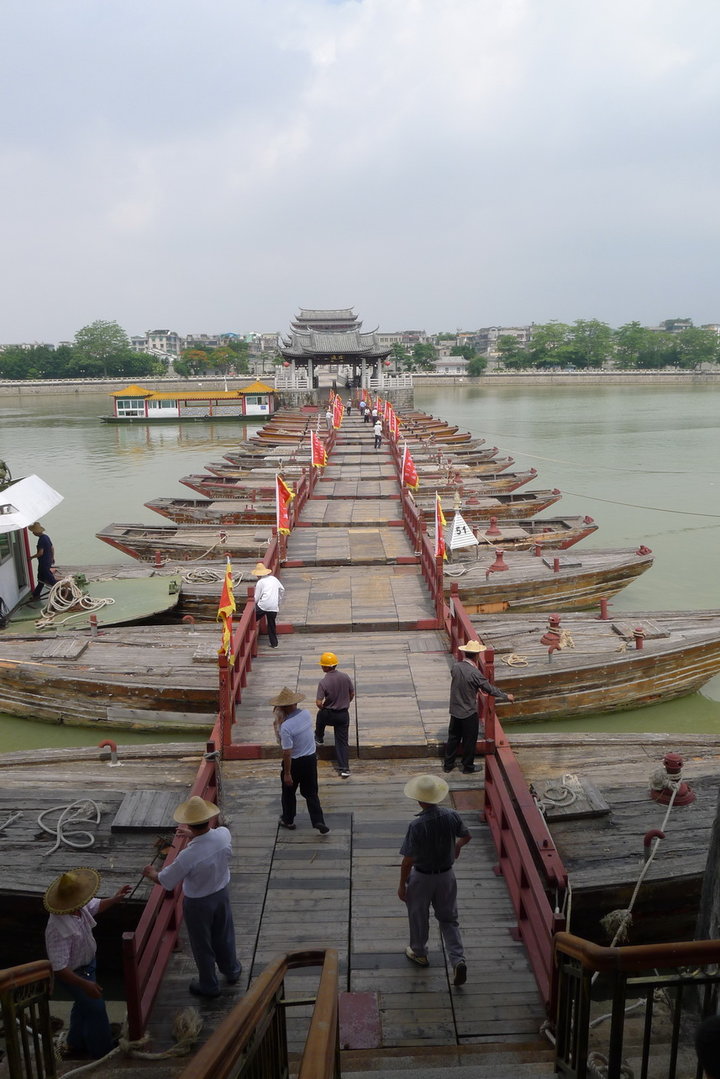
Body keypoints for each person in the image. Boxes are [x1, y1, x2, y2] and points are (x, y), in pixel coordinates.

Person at [142, 796, 242, 999]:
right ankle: (231, 970)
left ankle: (209, 985)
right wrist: (193, 835)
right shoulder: (223, 835)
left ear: (189, 822)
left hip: (198, 903)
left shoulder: (188, 855)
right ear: (208, 818)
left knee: (202, 944)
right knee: (224, 934)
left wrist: (151, 873)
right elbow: (209, 839)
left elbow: (166, 880)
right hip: (221, 894)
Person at [44, 868, 131, 1059]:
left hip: (88, 964)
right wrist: (84, 984)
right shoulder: (57, 929)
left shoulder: (79, 905)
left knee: (83, 1006)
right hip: (74, 973)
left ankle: (76, 1043)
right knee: (96, 1008)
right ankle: (102, 1051)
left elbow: (95, 906)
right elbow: (59, 968)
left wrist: (115, 898)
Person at [397, 774, 471, 986]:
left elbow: (408, 860)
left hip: (422, 877)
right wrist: (456, 846)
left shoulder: (417, 826)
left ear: (419, 800)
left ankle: (420, 952)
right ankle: (457, 959)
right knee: (449, 919)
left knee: (419, 915)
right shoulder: (451, 815)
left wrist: (402, 885)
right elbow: (466, 836)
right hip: (446, 875)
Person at [443, 640, 515, 774]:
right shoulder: (475, 673)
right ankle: (467, 766)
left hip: (455, 709)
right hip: (468, 711)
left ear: (465, 653)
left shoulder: (456, 667)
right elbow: (489, 689)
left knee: (453, 737)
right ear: (476, 656)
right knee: (469, 740)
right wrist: (506, 696)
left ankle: (448, 765)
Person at [272, 686, 330, 834]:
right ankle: (318, 821)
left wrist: (287, 773)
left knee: (288, 792)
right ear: (295, 703)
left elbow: (287, 752)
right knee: (311, 793)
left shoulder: (285, 727)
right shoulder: (306, 714)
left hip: (295, 762)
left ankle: (288, 819)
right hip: (310, 759)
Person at [315, 650, 355, 778]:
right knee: (342, 741)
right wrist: (345, 702)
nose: (321, 666)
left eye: (322, 665)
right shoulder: (345, 677)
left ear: (326, 667)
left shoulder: (323, 682)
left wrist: (324, 707)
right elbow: (352, 693)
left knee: (320, 717)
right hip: (343, 714)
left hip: (329, 714)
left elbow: (318, 702)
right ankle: (344, 768)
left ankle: (319, 737)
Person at [252, 562, 285, 648]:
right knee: (271, 625)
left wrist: (251, 606)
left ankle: (246, 635)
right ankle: (274, 643)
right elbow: (282, 589)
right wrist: (278, 601)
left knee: (251, 619)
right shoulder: (273, 579)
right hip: (274, 606)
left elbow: (256, 598)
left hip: (263, 605)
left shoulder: (260, 582)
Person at [29, 521, 57, 601]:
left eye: (33, 532)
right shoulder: (46, 537)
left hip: (43, 563)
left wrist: (31, 557)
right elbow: (52, 548)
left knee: (50, 579)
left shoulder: (41, 540)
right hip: (48, 561)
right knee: (41, 580)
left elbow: (40, 553)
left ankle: (59, 590)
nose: (33, 533)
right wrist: (52, 557)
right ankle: (36, 595)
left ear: (36, 532)